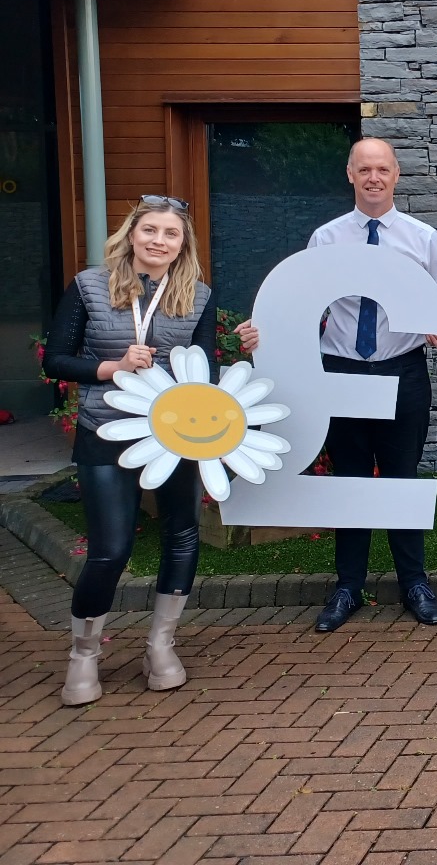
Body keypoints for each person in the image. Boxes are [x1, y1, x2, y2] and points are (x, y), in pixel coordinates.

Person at [238, 138, 437, 632]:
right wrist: (264, 334)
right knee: (351, 477)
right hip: (340, 371)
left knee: (402, 476)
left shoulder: (422, 237)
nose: (374, 177)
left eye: (382, 169)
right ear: (351, 174)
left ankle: (415, 583)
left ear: (396, 175)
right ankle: (348, 586)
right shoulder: (327, 238)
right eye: (365, 169)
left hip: (402, 368)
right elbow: (298, 304)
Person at [42, 196, 216, 705]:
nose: (159, 241)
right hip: (106, 430)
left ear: (183, 245)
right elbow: (56, 360)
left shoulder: (197, 296)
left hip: (175, 436)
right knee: (110, 549)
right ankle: (84, 655)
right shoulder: (89, 286)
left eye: (171, 234)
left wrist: (245, 347)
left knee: (182, 536)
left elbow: (204, 373)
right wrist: (110, 367)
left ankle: (161, 646)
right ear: (131, 234)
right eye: (150, 230)